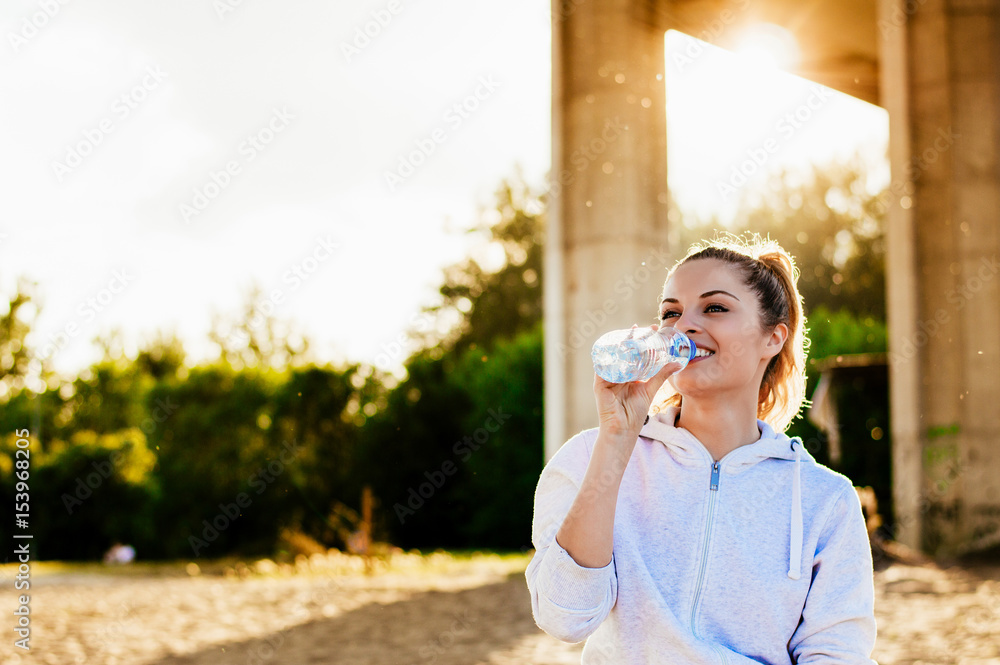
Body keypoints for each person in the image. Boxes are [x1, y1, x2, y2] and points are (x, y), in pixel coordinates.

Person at [525, 235, 877, 664]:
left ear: (773, 338)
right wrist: (616, 445)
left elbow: (836, 654)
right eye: (671, 312)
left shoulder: (826, 499)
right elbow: (565, 617)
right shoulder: (588, 458)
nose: (684, 326)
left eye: (714, 308)